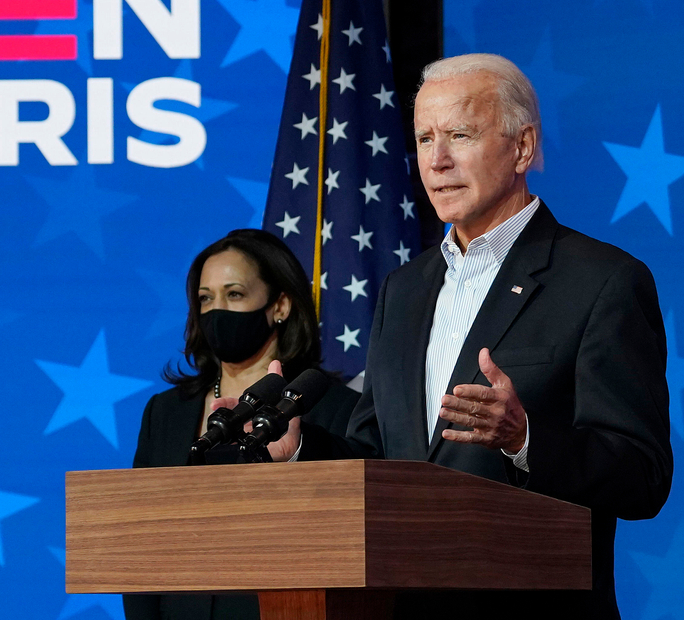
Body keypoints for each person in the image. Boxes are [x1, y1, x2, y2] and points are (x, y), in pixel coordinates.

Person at [287, 53, 673, 619]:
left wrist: (524, 439)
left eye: (460, 135)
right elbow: (378, 456)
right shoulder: (404, 290)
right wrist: (298, 448)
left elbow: (642, 477)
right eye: (423, 139)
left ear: (522, 147)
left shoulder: (602, 282)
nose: (437, 160)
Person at [124, 228, 359, 620]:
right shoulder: (164, 413)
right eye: (205, 298)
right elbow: (141, 542)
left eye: (234, 294)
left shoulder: (338, 408)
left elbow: (346, 536)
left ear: (280, 304)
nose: (217, 310)